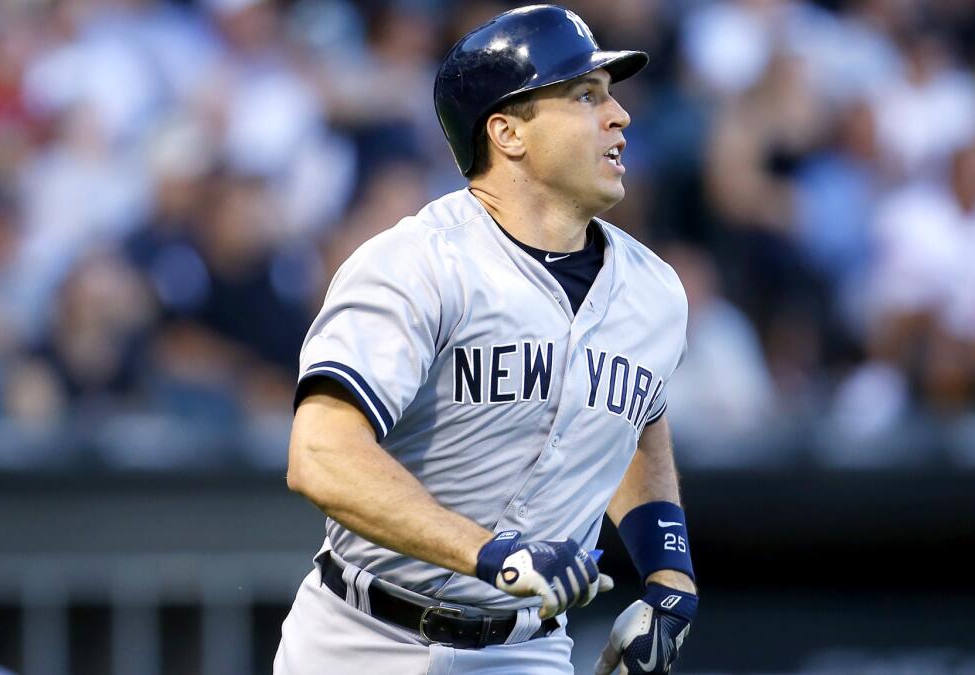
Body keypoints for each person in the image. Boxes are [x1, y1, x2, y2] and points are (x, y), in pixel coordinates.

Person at [274, 6, 697, 674]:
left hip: (524, 648)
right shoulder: (416, 264)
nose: (619, 116)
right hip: (362, 637)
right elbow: (320, 453)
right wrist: (490, 553)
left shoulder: (655, 291)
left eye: (610, 95)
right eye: (585, 96)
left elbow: (633, 420)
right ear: (507, 132)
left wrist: (670, 575)